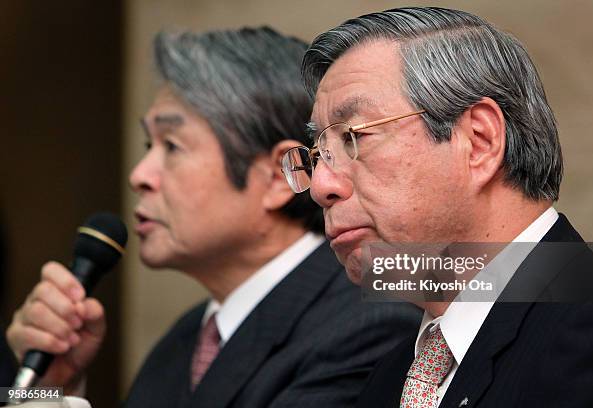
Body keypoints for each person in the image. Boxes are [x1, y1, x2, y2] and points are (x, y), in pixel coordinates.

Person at [6, 27, 420, 407]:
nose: (139, 176)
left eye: (172, 146)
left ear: (279, 177)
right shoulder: (185, 338)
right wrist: (56, 386)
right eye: (148, 143)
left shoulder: (371, 318)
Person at [281, 7, 593, 407]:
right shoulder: (390, 377)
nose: (320, 187)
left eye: (353, 136)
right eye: (319, 153)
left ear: (479, 141)